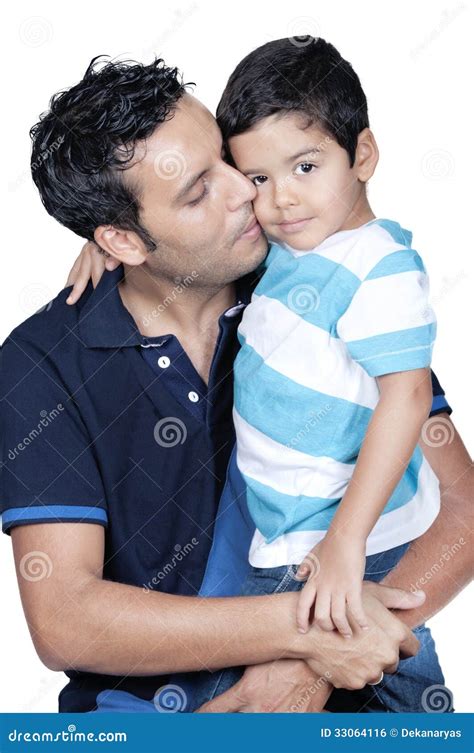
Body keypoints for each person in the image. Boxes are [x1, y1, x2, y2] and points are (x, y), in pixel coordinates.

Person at [1, 54, 471, 714]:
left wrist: (318, 666)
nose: (248, 191)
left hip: (355, 697)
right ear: (122, 241)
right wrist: (304, 632)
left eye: (227, 159)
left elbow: (461, 507)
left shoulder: (315, 281)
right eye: (198, 192)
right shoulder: (42, 361)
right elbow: (65, 618)